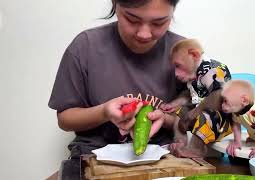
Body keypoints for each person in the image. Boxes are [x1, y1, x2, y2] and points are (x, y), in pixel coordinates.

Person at [48, 0, 184, 179]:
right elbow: (65, 119)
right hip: (92, 156)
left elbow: (194, 122)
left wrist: (165, 119)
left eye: (159, 23)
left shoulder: (183, 53)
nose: (144, 34)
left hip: (164, 160)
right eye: (132, 19)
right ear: (115, 4)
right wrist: (104, 112)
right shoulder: (85, 46)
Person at [159, 39, 233, 158]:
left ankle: (196, 150)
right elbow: (190, 95)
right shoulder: (195, 74)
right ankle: (180, 142)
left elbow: (218, 96)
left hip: (221, 116)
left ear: (194, 55)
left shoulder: (213, 69)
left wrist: (196, 111)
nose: (176, 74)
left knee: (206, 116)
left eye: (178, 66)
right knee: (179, 112)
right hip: (202, 109)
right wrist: (174, 104)